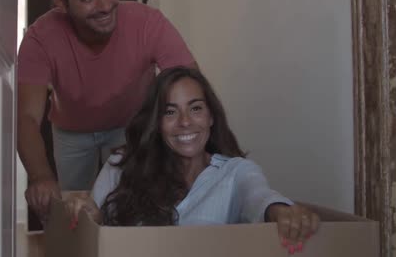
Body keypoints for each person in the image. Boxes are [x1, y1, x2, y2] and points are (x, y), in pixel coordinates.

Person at [17, 0, 198, 221]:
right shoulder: (39, 39)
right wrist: (40, 176)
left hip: (130, 126)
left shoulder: (147, 22)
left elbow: (190, 85)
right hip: (71, 133)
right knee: (72, 212)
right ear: (61, 3)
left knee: (132, 205)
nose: (105, 5)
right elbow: (27, 117)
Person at [65, 66, 320, 255]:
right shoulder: (122, 165)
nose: (185, 122)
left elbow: (260, 197)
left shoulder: (235, 173)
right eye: (170, 112)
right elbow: (91, 222)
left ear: (210, 116)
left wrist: (281, 212)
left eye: (196, 108)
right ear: (156, 123)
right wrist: (86, 213)